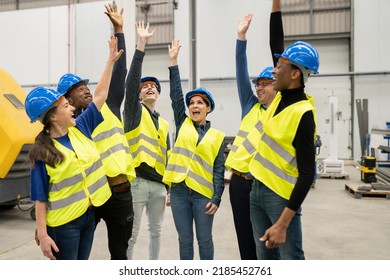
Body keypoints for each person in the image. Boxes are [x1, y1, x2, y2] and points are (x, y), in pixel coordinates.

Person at [25, 35, 123, 260]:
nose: (72, 109)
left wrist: (110, 61)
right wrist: (43, 232)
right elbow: (40, 198)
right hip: (64, 224)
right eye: (66, 106)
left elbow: (100, 95)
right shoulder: (42, 152)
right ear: (53, 116)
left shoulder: (81, 128)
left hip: (88, 216)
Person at [55, 3, 135, 260]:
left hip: (118, 191)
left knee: (119, 253)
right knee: (81, 255)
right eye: (79, 89)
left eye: (86, 87)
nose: (86, 91)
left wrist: (119, 29)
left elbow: (118, 75)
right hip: (88, 198)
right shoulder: (67, 124)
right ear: (67, 98)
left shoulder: (106, 105)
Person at [248, 40, 320, 260]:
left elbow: (307, 174)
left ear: (295, 74)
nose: (273, 70)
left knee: (291, 259)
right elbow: (275, 40)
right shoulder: (279, 97)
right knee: (265, 258)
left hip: (280, 198)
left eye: (279, 66)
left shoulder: (303, 114)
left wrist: (284, 222)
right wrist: (275, 5)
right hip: (257, 190)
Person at [224, 0, 284, 260]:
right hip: (238, 183)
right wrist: (241, 37)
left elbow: (278, 50)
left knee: (268, 243)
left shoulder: (281, 106)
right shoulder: (250, 106)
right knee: (245, 242)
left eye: (265, 83)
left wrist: (275, 8)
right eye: (257, 84)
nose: (259, 88)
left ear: (277, 84)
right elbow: (240, 70)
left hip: (265, 184)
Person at [162, 40, 226, 260]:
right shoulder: (183, 124)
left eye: (200, 103)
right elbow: (176, 96)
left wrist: (217, 197)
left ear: (208, 109)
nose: (195, 106)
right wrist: (173, 62)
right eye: (192, 103)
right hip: (179, 191)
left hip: (203, 195)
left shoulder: (217, 137)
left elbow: (219, 170)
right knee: (184, 240)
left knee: (205, 239)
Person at [123, 21, 170, 260]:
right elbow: (131, 83)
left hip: (160, 187)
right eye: (145, 87)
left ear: (158, 94)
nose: (149, 88)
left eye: (154, 86)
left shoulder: (164, 123)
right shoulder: (134, 112)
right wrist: (141, 45)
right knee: (131, 235)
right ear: (139, 94)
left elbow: (168, 157)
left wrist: (168, 187)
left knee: (156, 232)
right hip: (138, 184)